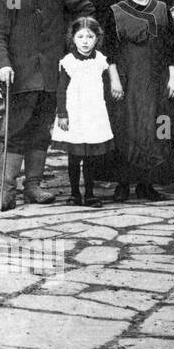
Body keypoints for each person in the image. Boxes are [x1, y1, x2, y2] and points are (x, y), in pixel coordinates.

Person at [0, 0, 94, 212]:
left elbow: (86, 12)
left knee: (41, 131)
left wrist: (74, 45)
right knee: (15, 130)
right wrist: (3, 65)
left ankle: (33, 186)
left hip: (51, 75)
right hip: (19, 75)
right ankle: (5, 192)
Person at [107, 0, 174, 202]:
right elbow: (110, 51)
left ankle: (148, 184)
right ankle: (122, 184)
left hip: (156, 78)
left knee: (157, 127)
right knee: (126, 128)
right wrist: (115, 80)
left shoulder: (161, 8)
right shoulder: (115, 11)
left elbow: (171, 45)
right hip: (128, 80)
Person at [52, 17, 121, 207]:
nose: (85, 41)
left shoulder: (101, 60)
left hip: (93, 115)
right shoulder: (68, 62)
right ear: (72, 39)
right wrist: (62, 114)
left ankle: (90, 194)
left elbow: (108, 84)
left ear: (97, 39)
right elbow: (61, 90)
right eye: (80, 36)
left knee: (90, 158)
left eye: (89, 36)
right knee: (74, 158)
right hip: (75, 115)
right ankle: (74, 193)